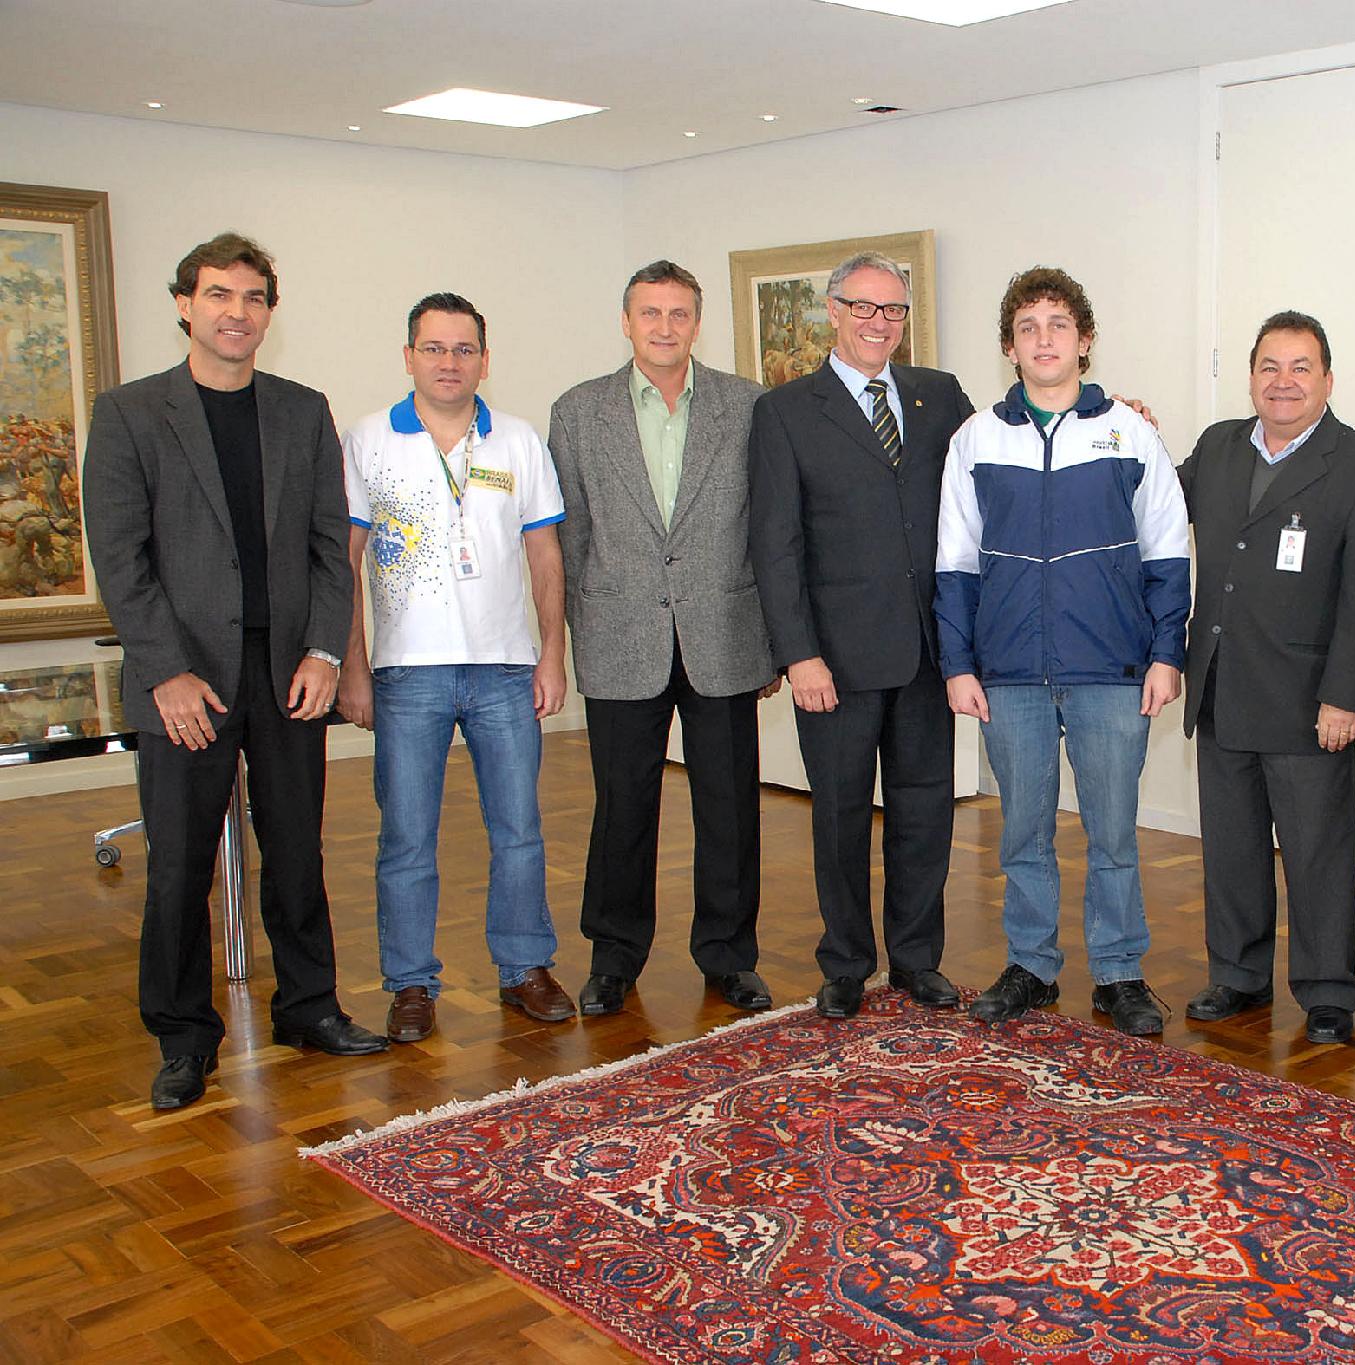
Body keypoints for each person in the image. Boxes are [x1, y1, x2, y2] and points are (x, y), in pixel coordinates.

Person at [83, 232, 386, 1111]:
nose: (236, 312)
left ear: (269, 312)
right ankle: (183, 1036)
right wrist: (166, 671)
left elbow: (330, 547)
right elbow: (121, 559)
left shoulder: (302, 410)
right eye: (218, 294)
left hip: (287, 672)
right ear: (185, 305)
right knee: (179, 866)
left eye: (253, 297)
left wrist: (325, 652)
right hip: (188, 679)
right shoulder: (131, 414)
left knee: (296, 850)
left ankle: (310, 1007)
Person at [936, 266, 1191, 1037]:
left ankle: (1118, 971)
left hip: (1112, 670)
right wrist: (958, 665)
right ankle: (1031, 965)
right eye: (1028, 327)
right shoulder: (976, 440)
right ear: (1009, 347)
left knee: (1113, 832)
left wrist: (1167, 653)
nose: (1043, 339)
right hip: (1009, 672)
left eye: (1058, 324)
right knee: (1023, 832)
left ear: (1084, 340)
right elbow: (955, 563)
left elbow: (1168, 551)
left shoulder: (1132, 434)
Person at [337, 293, 573, 1042]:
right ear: (408, 356)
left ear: (484, 360)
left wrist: (552, 652)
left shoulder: (518, 440)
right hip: (408, 674)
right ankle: (411, 982)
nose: (449, 362)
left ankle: (525, 967)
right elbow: (345, 563)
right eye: (434, 348)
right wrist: (353, 667)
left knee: (520, 830)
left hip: (505, 670)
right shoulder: (368, 440)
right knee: (407, 838)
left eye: (464, 349)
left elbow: (545, 555)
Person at [549, 261, 778, 1018]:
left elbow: (768, 526)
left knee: (730, 808)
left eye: (679, 313)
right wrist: (584, 630)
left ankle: (730, 955)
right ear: (626, 322)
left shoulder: (747, 406)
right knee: (622, 809)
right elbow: (572, 535)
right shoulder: (578, 412)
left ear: (697, 323)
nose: (664, 326)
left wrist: (771, 639)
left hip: (724, 634)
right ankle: (613, 957)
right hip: (621, 637)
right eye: (650, 312)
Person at [749, 252, 974, 1020]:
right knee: (841, 815)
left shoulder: (940, 396)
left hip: (927, 652)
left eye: (893, 310)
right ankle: (845, 962)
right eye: (864, 307)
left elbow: (999, 453)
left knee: (925, 812)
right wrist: (798, 653)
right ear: (834, 311)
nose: (880, 323)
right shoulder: (785, 412)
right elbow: (775, 545)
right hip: (835, 661)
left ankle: (916, 958)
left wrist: (1108, 410)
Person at [1179, 310, 1355, 1046]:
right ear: (1250, 377)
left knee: (1317, 854)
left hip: (1308, 700)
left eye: (1300, 367)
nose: (1283, 382)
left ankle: (1328, 989)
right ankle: (1237, 975)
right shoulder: (1217, 448)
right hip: (1221, 686)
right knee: (1232, 849)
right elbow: (1153, 500)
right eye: (1269, 367)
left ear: (1328, 380)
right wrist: (1125, 432)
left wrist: (1346, 696)